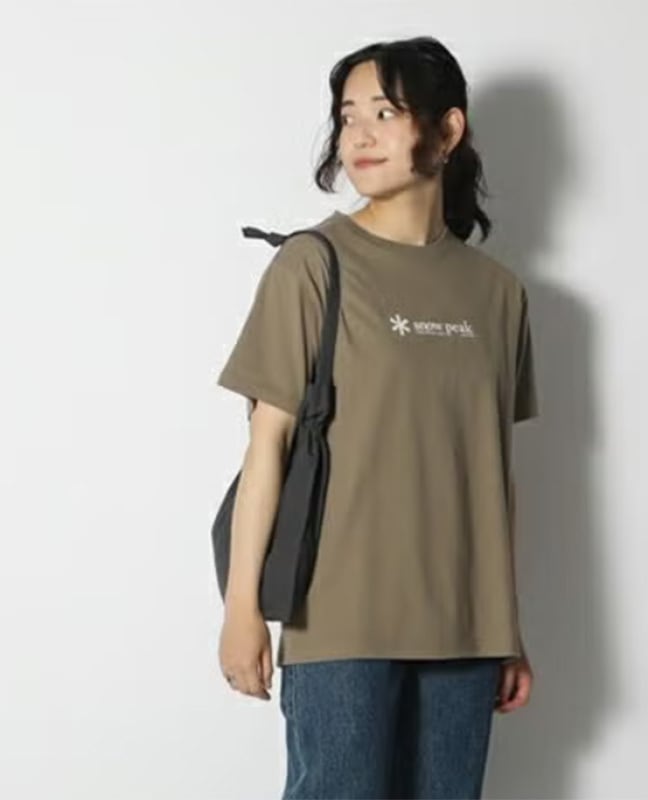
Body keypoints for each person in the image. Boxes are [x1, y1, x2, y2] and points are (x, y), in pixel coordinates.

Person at [215, 35, 539, 800]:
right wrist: (241, 612)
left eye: (384, 113)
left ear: (447, 130)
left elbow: (493, 471)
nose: (357, 135)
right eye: (347, 115)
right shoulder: (312, 266)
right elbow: (268, 446)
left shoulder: (498, 295)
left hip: (465, 628)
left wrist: (508, 628)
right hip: (340, 618)